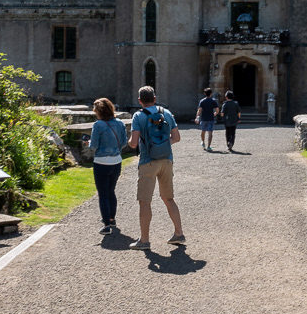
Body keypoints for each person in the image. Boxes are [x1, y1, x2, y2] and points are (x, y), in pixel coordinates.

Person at [127, 86, 185, 249]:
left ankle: (144, 240)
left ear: (140, 101)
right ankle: (179, 234)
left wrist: (131, 142)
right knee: (168, 198)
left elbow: (133, 143)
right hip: (167, 160)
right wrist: (162, 145)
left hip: (148, 162)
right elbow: (176, 137)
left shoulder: (138, 116)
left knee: (145, 201)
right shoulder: (166, 113)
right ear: (154, 98)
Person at [88, 98, 127, 235]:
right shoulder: (120, 123)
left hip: (101, 162)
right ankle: (111, 218)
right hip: (116, 161)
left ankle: (106, 225)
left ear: (99, 111)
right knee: (111, 191)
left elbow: (93, 146)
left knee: (103, 194)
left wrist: (88, 142)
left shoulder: (98, 125)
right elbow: (124, 143)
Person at [194, 87, 220, 152]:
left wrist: (197, 118)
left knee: (203, 131)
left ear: (204, 93)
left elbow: (199, 110)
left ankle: (203, 142)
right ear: (211, 94)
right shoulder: (213, 101)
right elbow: (217, 109)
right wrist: (215, 113)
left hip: (204, 118)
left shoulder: (202, 101)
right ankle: (208, 146)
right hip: (211, 118)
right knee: (210, 132)